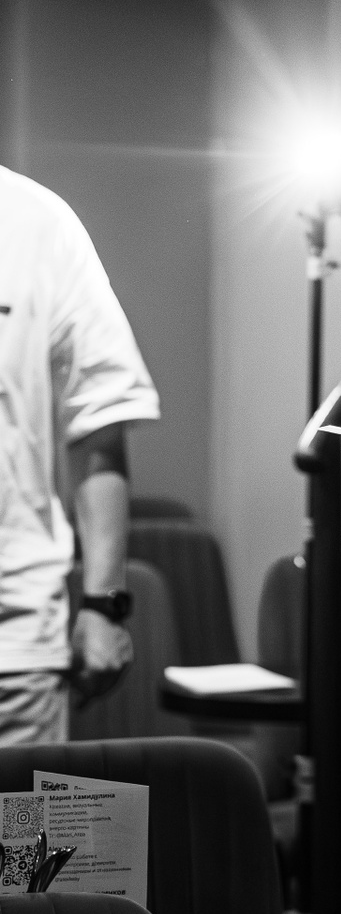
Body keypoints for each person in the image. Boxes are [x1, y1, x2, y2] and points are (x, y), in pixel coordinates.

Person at [0, 167, 159, 744]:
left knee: (24, 815)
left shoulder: (37, 221)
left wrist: (103, 605)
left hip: (14, 647)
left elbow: (100, 426)